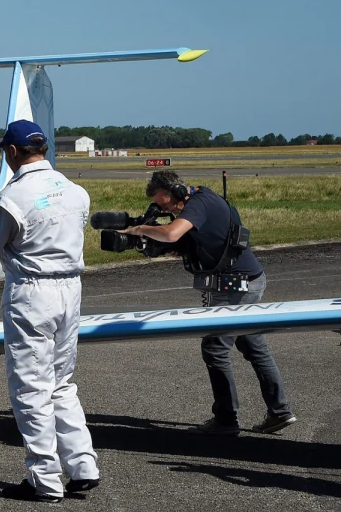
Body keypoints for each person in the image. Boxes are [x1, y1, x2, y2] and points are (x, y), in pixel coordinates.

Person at [0, 119, 99, 503]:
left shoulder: (13, 198)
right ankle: (83, 466)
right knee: (62, 382)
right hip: (71, 291)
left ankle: (44, 479)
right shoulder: (75, 191)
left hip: (32, 293)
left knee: (31, 387)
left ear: (13, 152)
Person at [118, 170, 296, 436]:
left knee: (215, 347)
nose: (165, 209)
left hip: (235, 284)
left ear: (177, 192)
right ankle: (280, 411)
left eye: (165, 203)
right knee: (251, 343)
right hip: (247, 279)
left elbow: (170, 234)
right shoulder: (204, 198)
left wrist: (139, 229)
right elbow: (188, 240)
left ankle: (226, 420)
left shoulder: (198, 203)